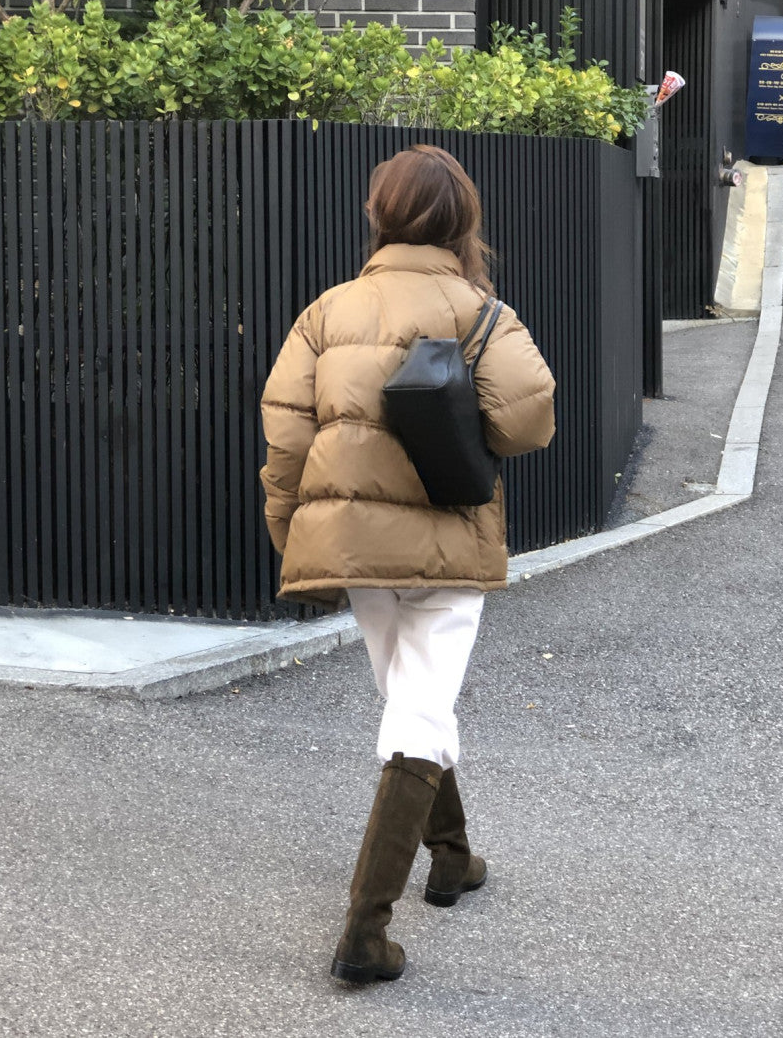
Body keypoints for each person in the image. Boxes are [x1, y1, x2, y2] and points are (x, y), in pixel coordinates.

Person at [259, 144, 556, 985]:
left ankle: (453, 856)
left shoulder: (326, 312)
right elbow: (529, 422)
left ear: (379, 215)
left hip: (357, 545)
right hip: (447, 539)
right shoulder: (482, 312)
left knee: (411, 699)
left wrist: (292, 532)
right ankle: (365, 929)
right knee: (419, 707)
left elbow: (286, 438)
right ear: (461, 219)